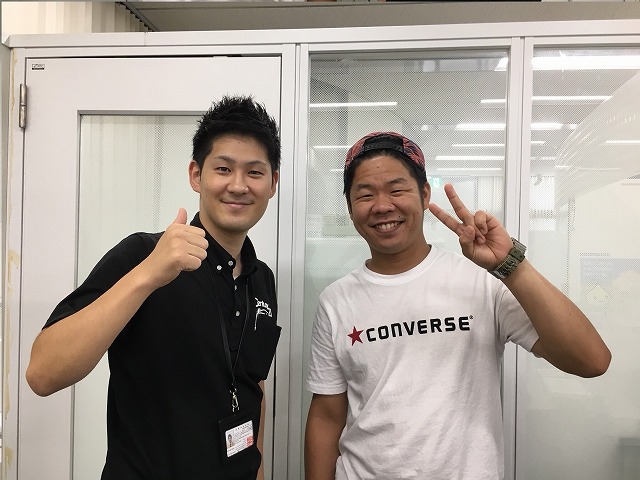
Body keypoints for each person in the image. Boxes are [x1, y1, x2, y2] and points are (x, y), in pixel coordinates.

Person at [304, 132, 611, 480]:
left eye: (396, 190)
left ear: (424, 195)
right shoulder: (335, 300)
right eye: (365, 194)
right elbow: (327, 416)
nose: (383, 205)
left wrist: (511, 265)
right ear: (350, 208)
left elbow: (591, 360)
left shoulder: (481, 281)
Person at [26, 95, 282, 480]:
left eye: (255, 172)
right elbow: (43, 374)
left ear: (273, 183)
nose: (238, 185)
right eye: (223, 168)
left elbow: (252, 387)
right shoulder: (143, 255)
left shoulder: (261, 280)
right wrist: (148, 275)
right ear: (196, 174)